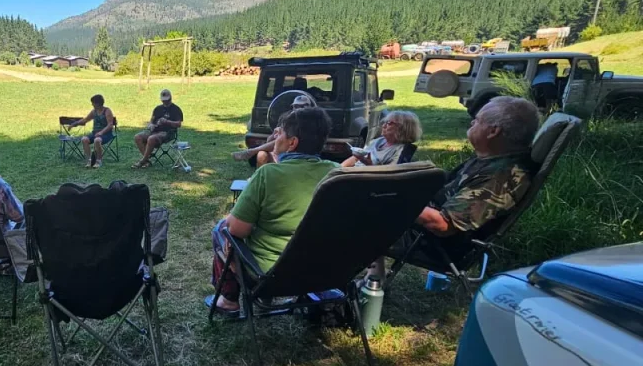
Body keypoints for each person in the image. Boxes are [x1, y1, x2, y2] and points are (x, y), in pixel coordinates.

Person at [373, 96, 539, 278]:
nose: (472, 123)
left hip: (430, 243)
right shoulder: (492, 159)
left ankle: (365, 281)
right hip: (421, 228)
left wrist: (394, 198)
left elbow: (442, 225)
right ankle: (373, 278)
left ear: (493, 131)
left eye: (477, 120)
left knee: (354, 218)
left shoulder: (500, 177)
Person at [207, 106, 338, 316]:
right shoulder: (336, 173)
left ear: (292, 143)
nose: (275, 138)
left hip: (271, 274)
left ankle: (229, 300)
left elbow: (237, 230)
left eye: (280, 133)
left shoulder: (268, 174)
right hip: (321, 271)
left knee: (221, 228)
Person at [231, 93, 318, 167]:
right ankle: (260, 176)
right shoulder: (285, 118)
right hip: (282, 151)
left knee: (286, 139)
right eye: (297, 106)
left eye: (304, 106)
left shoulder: (314, 122)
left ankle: (251, 152)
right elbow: (270, 140)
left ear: (310, 108)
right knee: (262, 155)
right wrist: (276, 133)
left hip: (301, 154)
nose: (300, 109)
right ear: (292, 107)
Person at [340, 110, 422, 167]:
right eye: (384, 122)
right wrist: (339, 169)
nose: (383, 126)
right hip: (349, 174)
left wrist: (369, 164)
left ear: (402, 129)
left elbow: (390, 175)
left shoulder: (402, 150)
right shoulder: (379, 141)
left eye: (389, 123)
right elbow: (355, 158)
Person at [133, 89, 183, 168]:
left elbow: (178, 124)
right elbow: (151, 121)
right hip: (154, 130)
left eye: (166, 100)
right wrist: (151, 125)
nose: (165, 102)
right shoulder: (157, 109)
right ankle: (146, 161)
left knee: (151, 138)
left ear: (170, 98)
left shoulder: (176, 109)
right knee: (138, 137)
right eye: (163, 100)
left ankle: (143, 161)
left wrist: (167, 121)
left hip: (167, 132)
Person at [70, 94, 115, 168]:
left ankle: (98, 161)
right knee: (84, 139)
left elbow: (110, 125)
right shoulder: (94, 111)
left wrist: (101, 132)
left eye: (93, 103)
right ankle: (89, 160)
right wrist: (75, 124)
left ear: (98, 103)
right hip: (95, 133)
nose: (92, 104)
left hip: (106, 134)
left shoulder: (107, 111)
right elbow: (85, 120)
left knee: (97, 140)